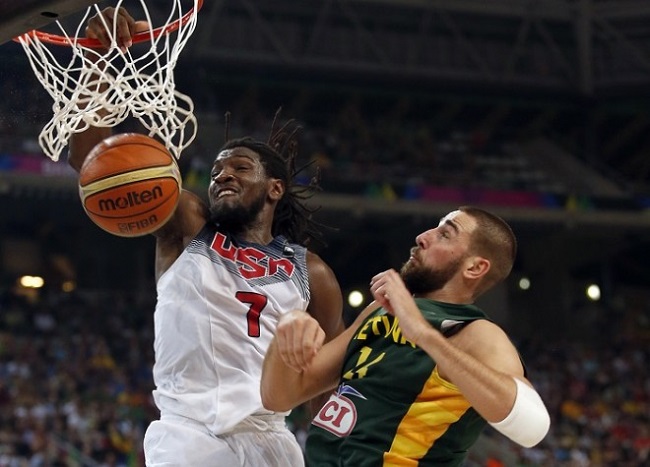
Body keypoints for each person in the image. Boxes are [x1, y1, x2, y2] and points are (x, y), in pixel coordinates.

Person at [67, 8, 345, 466]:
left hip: (272, 441)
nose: (222, 177)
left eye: (239, 168)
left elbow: (326, 380)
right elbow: (96, 165)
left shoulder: (312, 272)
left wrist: (346, 448)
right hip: (189, 437)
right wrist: (98, 67)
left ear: (275, 188)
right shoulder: (188, 224)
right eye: (216, 170)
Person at [261, 206, 551, 466]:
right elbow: (279, 397)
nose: (423, 236)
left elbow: (532, 427)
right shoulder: (378, 312)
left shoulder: (475, 332)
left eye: (445, 235)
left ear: (474, 267)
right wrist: (288, 326)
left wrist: (422, 332)